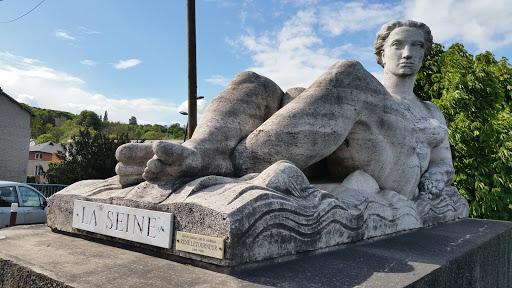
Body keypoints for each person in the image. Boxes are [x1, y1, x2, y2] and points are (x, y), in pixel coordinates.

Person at [116, 20, 454, 200]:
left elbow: (443, 170)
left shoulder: (428, 110)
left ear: (425, 54)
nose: (408, 52)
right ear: (382, 53)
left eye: (417, 45)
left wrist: (436, 182)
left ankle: (234, 163)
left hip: (399, 174)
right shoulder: (364, 94)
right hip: (343, 159)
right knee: (258, 83)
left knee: (347, 74)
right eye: (398, 44)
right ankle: (198, 151)